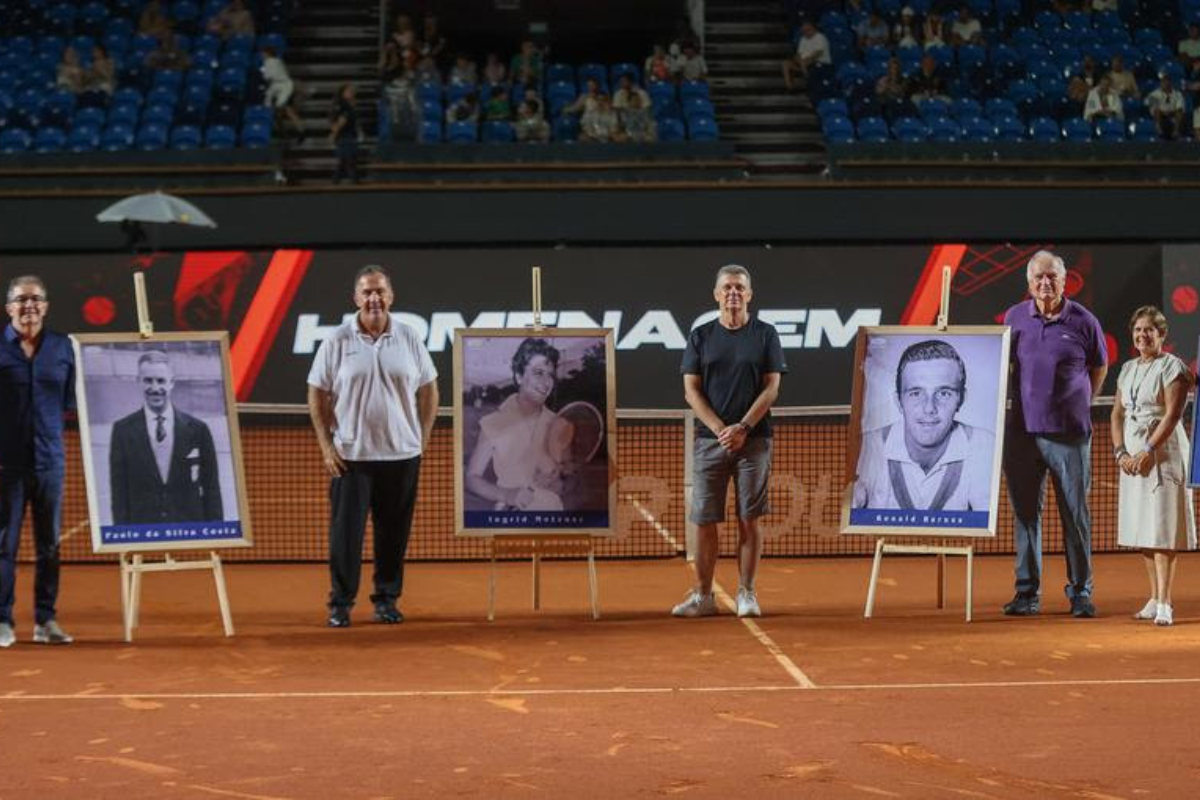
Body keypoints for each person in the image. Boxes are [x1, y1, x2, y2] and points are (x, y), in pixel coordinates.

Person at [307, 266, 438, 628]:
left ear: (391, 296)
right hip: (351, 457)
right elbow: (316, 393)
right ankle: (340, 603)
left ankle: (386, 599)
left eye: (380, 291)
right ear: (356, 298)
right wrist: (326, 446)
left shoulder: (409, 337)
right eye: (367, 292)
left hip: (402, 455)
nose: (374, 298)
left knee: (393, 534)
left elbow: (429, 389)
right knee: (345, 536)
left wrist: (423, 437)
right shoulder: (336, 340)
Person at [674, 265, 786, 619]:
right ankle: (703, 596)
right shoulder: (701, 336)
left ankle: (747, 593)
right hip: (709, 443)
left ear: (749, 294)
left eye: (739, 287)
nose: (733, 293)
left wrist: (743, 427)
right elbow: (691, 390)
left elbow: (772, 387)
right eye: (727, 288)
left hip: (754, 442)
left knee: (749, 519)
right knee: (704, 520)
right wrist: (722, 429)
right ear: (716, 294)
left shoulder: (765, 334)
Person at [1003, 250, 1107, 618]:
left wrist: (1081, 402)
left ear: (1064, 281)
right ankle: (1027, 594)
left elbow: (1099, 366)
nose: (1045, 283)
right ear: (1029, 282)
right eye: (1039, 277)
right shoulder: (1014, 318)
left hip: (1069, 436)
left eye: (1052, 277)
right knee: (1025, 516)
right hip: (1022, 436)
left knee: (1075, 517)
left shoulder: (1084, 321)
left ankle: (1080, 592)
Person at [0, 276, 75, 647]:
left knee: (49, 546)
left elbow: (68, 401)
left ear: (45, 306)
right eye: (21, 299)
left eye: (36, 298)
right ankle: (2, 620)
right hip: (6, 466)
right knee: (4, 545)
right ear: (8, 307)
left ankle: (46, 620)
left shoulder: (63, 348)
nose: (28, 305)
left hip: (50, 464)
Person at [1111, 306, 1195, 627]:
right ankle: (1153, 596)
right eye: (1138, 330)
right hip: (1133, 459)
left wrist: (1148, 450)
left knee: (1162, 530)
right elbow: (1117, 413)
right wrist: (1121, 452)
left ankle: (1165, 602)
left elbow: (1173, 415)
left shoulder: (1174, 368)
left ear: (1162, 334)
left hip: (1164, 455)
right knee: (1142, 529)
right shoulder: (1128, 368)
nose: (1142, 335)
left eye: (1149, 330)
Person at [852, 340, 994, 512]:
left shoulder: (986, 447)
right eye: (916, 393)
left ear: (961, 399)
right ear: (899, 401)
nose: (929, 408)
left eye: (944, 393)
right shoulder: (866, 448)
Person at [109, 351, 223, 526]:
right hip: (144, 530)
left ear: (172, 383)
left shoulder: (199, 430)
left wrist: (217, 530)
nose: (155, 388)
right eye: (148, 380)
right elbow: (119, 494)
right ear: (138, 381)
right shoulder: (122, 431)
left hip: (189, 529)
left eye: (161, 381)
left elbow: (212, 488)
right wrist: (122, 534)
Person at [465, 338, 573, 511]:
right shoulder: (493, 422)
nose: (546, 382)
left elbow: (568, 477)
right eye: (538, 373)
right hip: (510, 519)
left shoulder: (559, 424)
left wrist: (559, 483)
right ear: (519, 376)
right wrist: (507, 495)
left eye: (550, 375)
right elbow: (471, 477)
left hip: (551, 517)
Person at [261, 46, 304, 143]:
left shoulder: (269, 62)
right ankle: (292, 133)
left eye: (263, 54)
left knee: (287, 112)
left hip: (283, 88)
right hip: (285, 87)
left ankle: (298, 132)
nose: (262, 56)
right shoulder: (279, 61)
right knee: (281, 113)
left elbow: (267, 77)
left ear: (267, 54)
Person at [782, 21, 830, 91]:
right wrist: (799, 60)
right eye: (803, 31)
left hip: (819, 62)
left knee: (806, 61)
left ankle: (807, 79)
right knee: (786, 63)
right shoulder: (803, 39)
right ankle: (790, 86)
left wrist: (804, 62)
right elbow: (799, 54)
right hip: (804, 64)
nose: (805, 32)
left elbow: (818, 53)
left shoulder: (820, 37)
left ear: (813, 29)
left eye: (807, 30)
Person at [329, 83, 360, 184]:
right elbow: (342, 120)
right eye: (349, 91)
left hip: (344, 136)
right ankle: (353, 180)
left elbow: (333, 120)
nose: (352, 92)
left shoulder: (339, 104)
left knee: (343, 160)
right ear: (343, 92)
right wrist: (333, 134)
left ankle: (337, 180)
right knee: (349, 160)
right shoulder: (345, 105)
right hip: (346, 136)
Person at [1146, 74, 1185, 140]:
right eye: (1164, 82)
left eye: (1167, 82)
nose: (1166, 84)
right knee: (1157, 110)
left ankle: (1176, 130)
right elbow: (1153, 108)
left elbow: (1180, 107)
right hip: (1160, 115)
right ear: (1161, 83)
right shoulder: (1153, 94)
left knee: (1179, 111)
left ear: (1171, 83)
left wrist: (1170, 112)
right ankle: (1158, 128)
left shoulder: (1178, 94)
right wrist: (1163, 112)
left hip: (1173, 114)